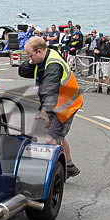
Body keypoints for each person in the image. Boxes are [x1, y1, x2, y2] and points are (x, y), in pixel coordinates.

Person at [19, 37, 82, 178]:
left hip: (66, 105)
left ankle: (51, 175)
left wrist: (44, 111)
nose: (30, 58)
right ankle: (69, 165)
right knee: (57, 135)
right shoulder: (42, 59)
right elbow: (23, 72)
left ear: (40, 51)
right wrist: (30, 62)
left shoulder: (53, 65)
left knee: (50, 139)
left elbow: (49, 90)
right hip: (57, 103)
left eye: (31, 55)